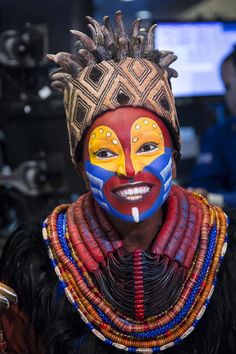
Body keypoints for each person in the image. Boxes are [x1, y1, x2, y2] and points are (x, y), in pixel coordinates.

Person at [0, 11, 236, 354]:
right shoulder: (38, 262)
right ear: (81, 166)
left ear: (174, 153)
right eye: (106, 153)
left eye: (148, 147)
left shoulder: (224, 251)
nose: (129, 168)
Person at [190, 48, 236, 209]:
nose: (226, 95)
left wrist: (218, 199)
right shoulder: (218, 135)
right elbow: (201, 185)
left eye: (228, 86)